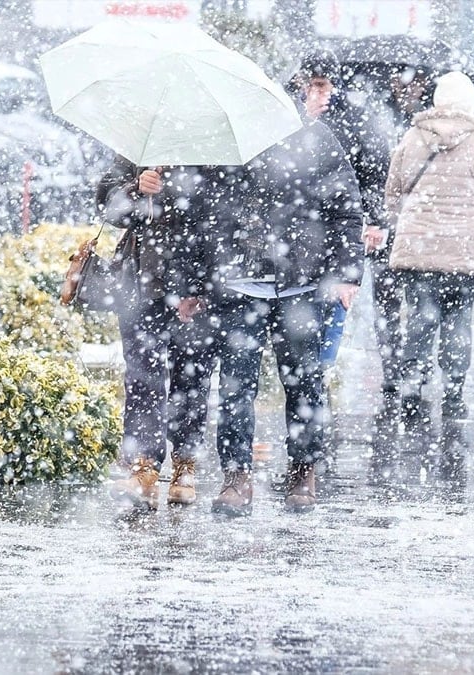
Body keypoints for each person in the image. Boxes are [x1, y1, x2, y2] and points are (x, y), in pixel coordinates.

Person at [170, 121, 365, 517]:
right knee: (236, 385)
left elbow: (345, 209)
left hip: (302, 286)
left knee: (305, 382)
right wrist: (193, 282)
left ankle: (303, 469)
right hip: (239, 286)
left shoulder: (315, 137)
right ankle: (236, 475)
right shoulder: (222, 138)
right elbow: (199, 214)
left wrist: (346, 274)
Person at [384, 70, 474, 464]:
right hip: (464, 252)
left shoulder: (413, 137)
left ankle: (412, 386)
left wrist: (408, 217)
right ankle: (454, 390)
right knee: (459, 319)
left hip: (419, 247)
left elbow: (393, 192)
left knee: (421, 318)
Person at [93, 162, 229, 510]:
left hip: (192, 285)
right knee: (141, 377)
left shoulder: (211, 152)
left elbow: (220, 218)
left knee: (192, 377)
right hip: (141, 283)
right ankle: (143, 465)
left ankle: (185, 465)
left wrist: (199, 287)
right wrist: (135, 189)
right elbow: (108, 207)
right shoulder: (140, 141)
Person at [288, 51, 393, 385]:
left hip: (336, 225)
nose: (322, 92)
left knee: (334, 301)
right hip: (293, 230)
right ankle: (308, 377)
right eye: (315, 84)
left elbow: (374, 170)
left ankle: (319, 373)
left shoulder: (352, 117)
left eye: (326, 84)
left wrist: (375, 219)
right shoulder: (284, 113)